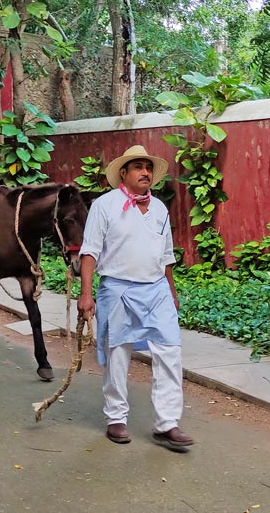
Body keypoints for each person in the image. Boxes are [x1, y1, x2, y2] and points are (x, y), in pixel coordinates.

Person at [77, 145, 193, 450]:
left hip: (156, 290)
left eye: (148, 168)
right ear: (124, 174)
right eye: (138, 167)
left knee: (170, 352)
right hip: (118, 289)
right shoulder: (105, 206)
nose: (145, 172)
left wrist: (171, 291)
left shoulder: (159, 209)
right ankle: (116, 418)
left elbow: (165, 255)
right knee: (118, 354)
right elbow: (89, 251)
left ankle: (167, 424)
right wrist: (86, 294)